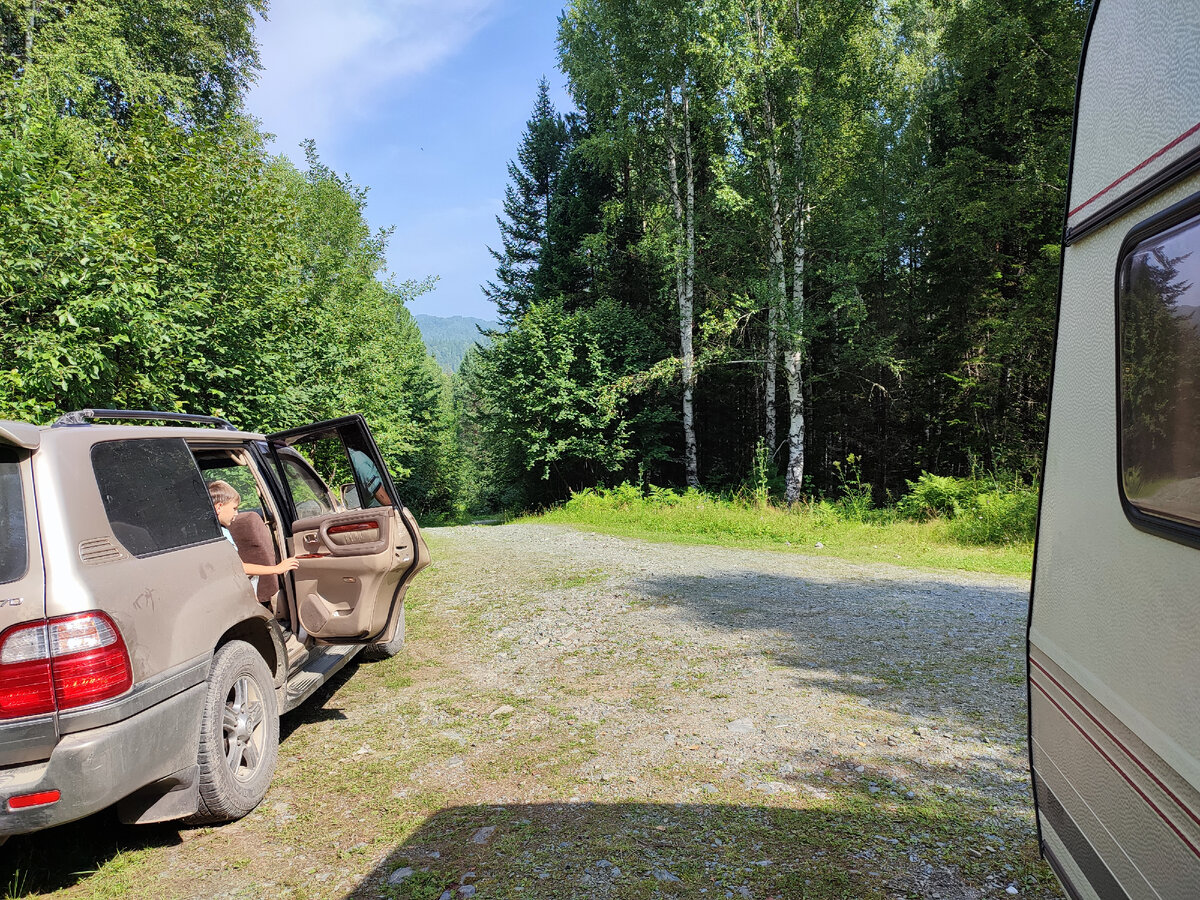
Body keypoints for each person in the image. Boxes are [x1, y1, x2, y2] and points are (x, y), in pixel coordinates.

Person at [207, 480, 299, 598]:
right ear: (219, 507)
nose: (236, 513)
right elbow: (240, 568)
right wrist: (277, 569)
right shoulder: (221, 535)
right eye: (234, 508)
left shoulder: (213, 531)